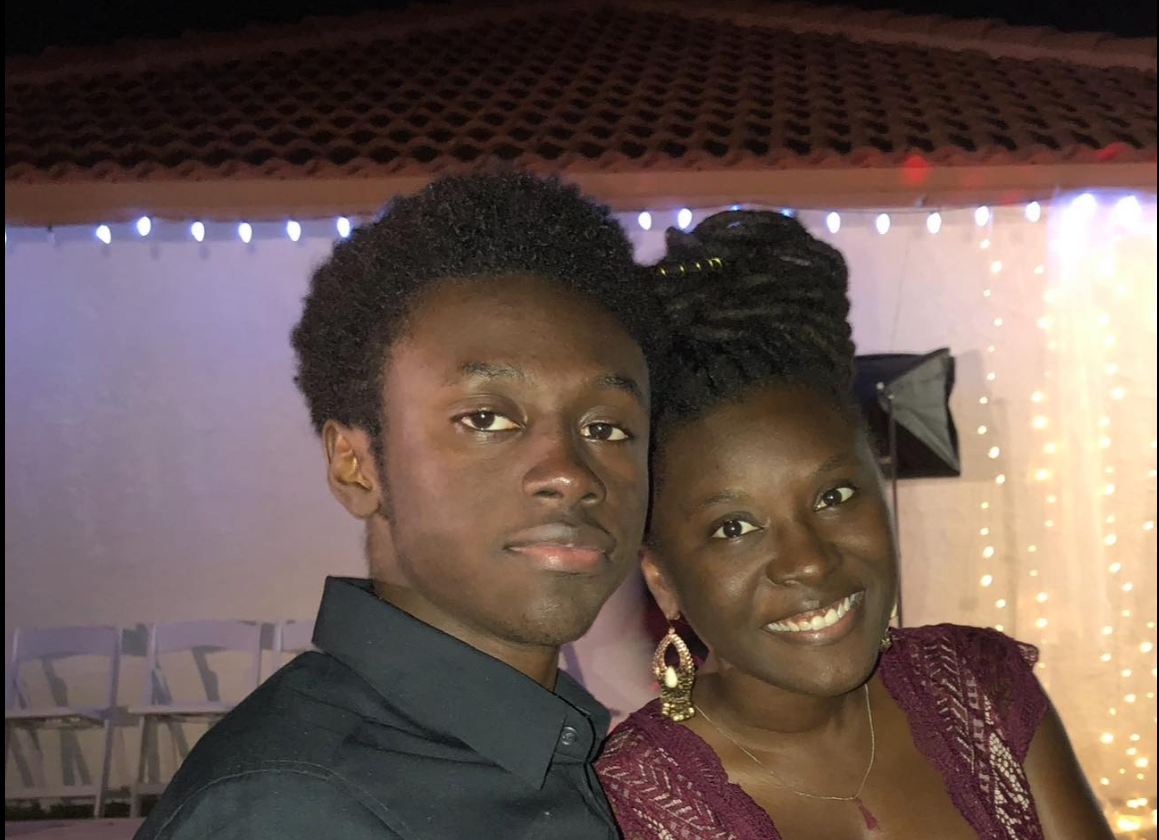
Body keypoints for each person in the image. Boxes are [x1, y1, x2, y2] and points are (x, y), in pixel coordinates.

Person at [135, 172, 661, 839]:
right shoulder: (295, 810)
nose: (569, 474)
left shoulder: (568, 751)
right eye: (486, 418)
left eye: (607, 428)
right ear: (356, 466)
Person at [595, 210, 1112, 840]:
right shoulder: (628, 806)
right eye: (734, 527)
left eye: (835, 494)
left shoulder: (979, 687)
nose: (808, 561)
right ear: (662, 579)